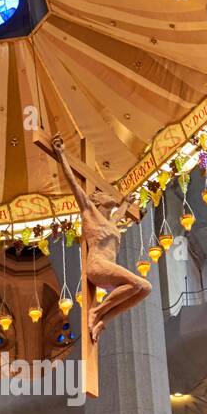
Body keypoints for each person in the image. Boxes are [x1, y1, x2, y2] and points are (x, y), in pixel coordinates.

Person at [51, 134, 151, 343]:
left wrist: (127, 203)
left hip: (109, 269)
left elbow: (121, 211)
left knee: (146, 288)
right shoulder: (89, 212)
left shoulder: (112, 222)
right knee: (136, 284)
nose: (108, 195)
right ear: (96, 199)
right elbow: (74, 186)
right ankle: (97, 312)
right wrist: (61, 155)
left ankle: (104, 319)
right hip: (98, 266)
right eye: (103, 193)